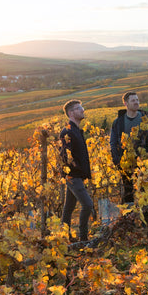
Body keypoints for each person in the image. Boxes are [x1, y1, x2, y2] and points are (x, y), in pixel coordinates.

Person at [109, 90, 148, 203]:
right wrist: (117, 160)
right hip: (125, 164)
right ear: (125, 103)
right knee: (128, 193)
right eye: (133, 100)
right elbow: (113, 142)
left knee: (145, 193)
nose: (136, 102)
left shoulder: (147, 119)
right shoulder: (118, 122)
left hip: (144, 163)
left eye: (137, 100)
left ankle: (146, 219)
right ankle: (129, 219)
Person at [60, 99, 93, 242]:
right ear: (71, 113)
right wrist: (77, 171)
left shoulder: (76, 131)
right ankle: (83, 237)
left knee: (69, 208)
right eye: (79, 108)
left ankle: (63, 236)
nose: (83, 110)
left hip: (76, 175)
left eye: (82, 107)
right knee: (88, 205)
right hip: (73, 176)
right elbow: (65, 157)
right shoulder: (67, 131)